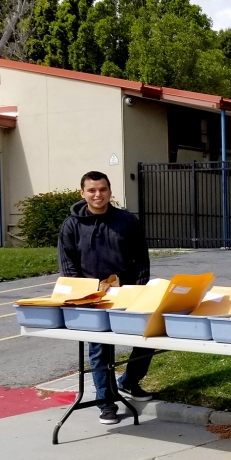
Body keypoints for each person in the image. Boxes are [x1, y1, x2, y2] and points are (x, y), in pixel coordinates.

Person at [58, 171, 156, 425]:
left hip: (127, 293)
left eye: (102, 189)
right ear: (82, 193)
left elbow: (141, 257)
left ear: (110, 192)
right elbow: (68, 264)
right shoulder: (71, 225)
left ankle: (129, 382)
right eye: (91, 190)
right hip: (91, 296)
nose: (97, 195)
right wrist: (83, 292)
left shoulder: (126, 221)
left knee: (147, 337)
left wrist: (138, 287)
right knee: (100, 349)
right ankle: (106, 402)